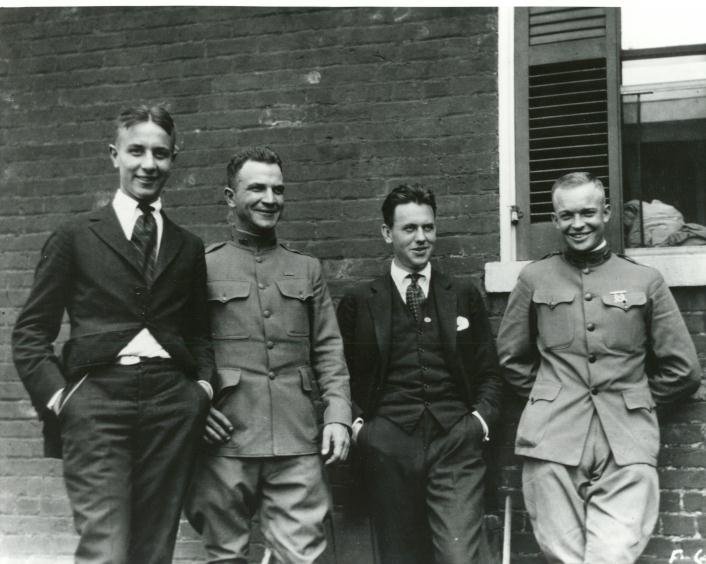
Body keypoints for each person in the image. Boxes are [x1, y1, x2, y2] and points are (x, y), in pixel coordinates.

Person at [12, 104, 214, 564]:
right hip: (97, 401)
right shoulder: (76, 235)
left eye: (160, 154)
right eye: (136, 151)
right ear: (114, 155)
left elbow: (199, 333)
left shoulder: (187, 245)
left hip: (171, 404)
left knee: (154, 548)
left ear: (173, 159)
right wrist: (62, 398)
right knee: (105, 546)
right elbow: (30, 332)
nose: (148, 164)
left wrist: (199, 389)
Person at [497, 171, 701, 564]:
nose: (578, 224)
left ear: (606, 212)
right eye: (567, 215)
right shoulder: (533, 278)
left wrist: (636, 399)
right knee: (564, 557)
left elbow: (683, 369)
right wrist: (550, 396)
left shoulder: (645, 279)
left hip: (626, 441)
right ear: (555, 220)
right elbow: (510, 357)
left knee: (613, 555)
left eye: (588, 213)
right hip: (553, 440)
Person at [185, 146, 352, 564]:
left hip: (296, 437)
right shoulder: (200, 267)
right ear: (229, 196)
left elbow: (329, 349)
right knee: (226, 555)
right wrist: (195, 409)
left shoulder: (307, 269)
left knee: (302, 556)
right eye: (256, 188)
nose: (270, 199)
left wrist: (337, 416)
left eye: (278, 189)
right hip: (225, 437)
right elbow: (183, 349)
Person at [336, 184, 503, 564]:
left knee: (459, 555)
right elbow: (339, 375)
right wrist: (364, 431)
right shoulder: (361, 301)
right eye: (409, 229)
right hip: (388, 443)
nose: (421, 238)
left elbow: (490, 373)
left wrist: (477, 424)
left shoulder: (461, 293)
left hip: (454, 442)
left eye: (428, 228)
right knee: (399, 557)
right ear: (387, 234)